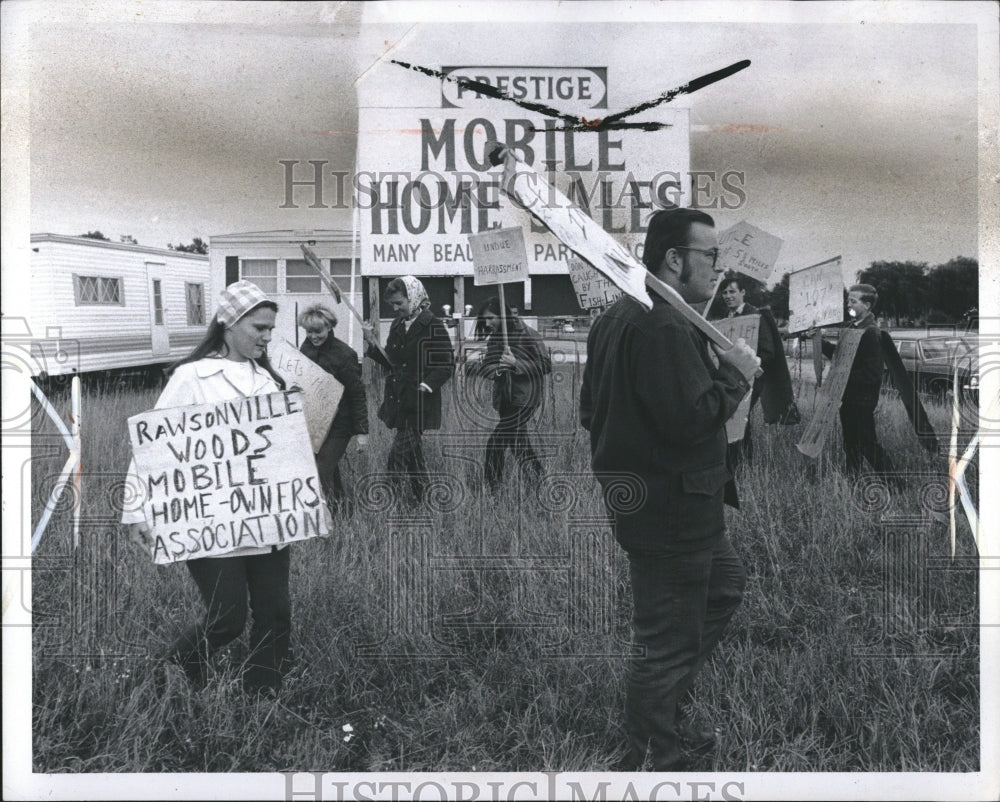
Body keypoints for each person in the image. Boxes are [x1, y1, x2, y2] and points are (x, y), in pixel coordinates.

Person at [579, 208, 760, 771]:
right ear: (675, 259)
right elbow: (691, 420)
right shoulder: (660, 324)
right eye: (710, 256)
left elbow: (590, 412)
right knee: (665, 641)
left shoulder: (622, 315)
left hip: (673, 503)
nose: (718, 268)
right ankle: (656, 757)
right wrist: (736, 375)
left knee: (725, 588)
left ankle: (660, 713)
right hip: (671, 508)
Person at [122, 280, 294, 696]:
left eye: (271, 329)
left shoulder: (269, 382)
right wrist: (135, 509)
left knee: (274, 612)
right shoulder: (192, 377)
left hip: (265, 518)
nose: (267, 337)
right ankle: (175, 672)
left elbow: (284, 452)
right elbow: (154, 442)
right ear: (228, 323)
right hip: (209, 518)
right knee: (227, 618)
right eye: (259, 328)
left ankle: (262, 690)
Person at [362, 276, 454, 503]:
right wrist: (371, 343)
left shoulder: (433, 325)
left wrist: (426, 385)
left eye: (398, 303)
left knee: (397, 456)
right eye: (392, 304)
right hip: (399, 400)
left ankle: (386, 503)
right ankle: (424, 499)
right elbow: (391, 361)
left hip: (420, 402)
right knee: (414, 455)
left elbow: (446, 364)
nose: (395, 308)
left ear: (413, 298)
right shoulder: (397, 324)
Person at [710, 273, 798, 464]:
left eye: (732, 291)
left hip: (751, 378)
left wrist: (749, 363)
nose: (728, 296)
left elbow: (768, 351)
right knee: (731, 418)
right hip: (731, 376)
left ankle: (743, 463)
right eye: (724, 292)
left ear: (743, 292)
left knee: (742, 420)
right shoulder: (726, 318)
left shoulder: (756, 316)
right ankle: (732, 461)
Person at [472, 296, 551, 490]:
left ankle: (493, 491)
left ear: (503, 315)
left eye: (491, 318)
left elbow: (545, 365)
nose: (487, 323)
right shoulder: (496, 338)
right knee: (519, 445)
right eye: (485, 320)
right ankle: (541, 483)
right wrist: (495, 370)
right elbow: (488, 366)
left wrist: (516, 364)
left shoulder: (528, 334)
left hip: (525, 400)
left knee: (494, 444)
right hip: (504, 399)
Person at [819, 284, 896, 476]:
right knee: (851, 443)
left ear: (867, 305)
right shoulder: (852, 327)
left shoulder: (870, 332)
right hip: (849, 397)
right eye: (848, 300)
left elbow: (872, 373)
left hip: (862, 399)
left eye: (853, 301)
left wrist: (842, 375)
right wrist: (818, 341)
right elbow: (839, 355)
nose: (848, 304)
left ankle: (896, 485)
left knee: (867, 443)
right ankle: (853, 480)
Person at [298, 304, 369, 508]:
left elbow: (357, 394)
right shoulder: (306, 349)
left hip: (340, 424)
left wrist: (362, 432)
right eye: (309, 332)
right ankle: (344, 512)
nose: (313, 336)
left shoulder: (345, 354)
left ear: (329, 327)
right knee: (328, 469)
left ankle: (331, 514)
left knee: (323, 469)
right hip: (316, 422)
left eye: (318, 331)